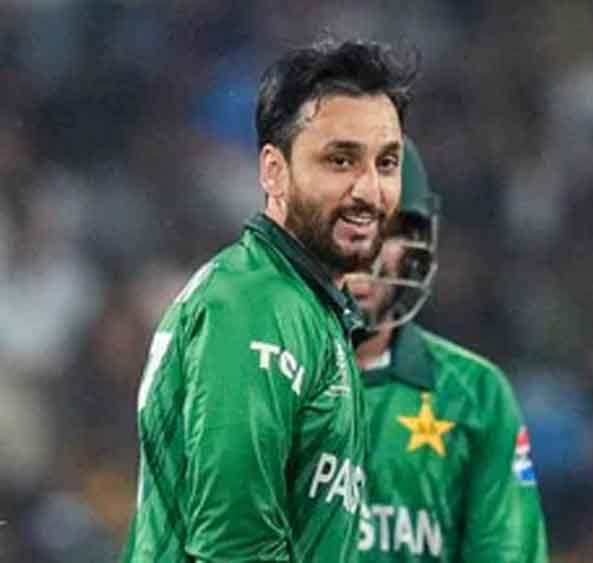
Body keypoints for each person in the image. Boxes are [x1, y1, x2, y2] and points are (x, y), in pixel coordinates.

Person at [120, 37, 417, 562]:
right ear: (274, 171)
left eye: (387, 163)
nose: (370, 190)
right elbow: (234, 549)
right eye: (341, 160)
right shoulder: (255, 305)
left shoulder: (311, 311)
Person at [344, 138, 549, 562]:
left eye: (388, 229)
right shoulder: (256, 383)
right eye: (347, 223)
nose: (367, 252)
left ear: (416, 244)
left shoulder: (475, 393)